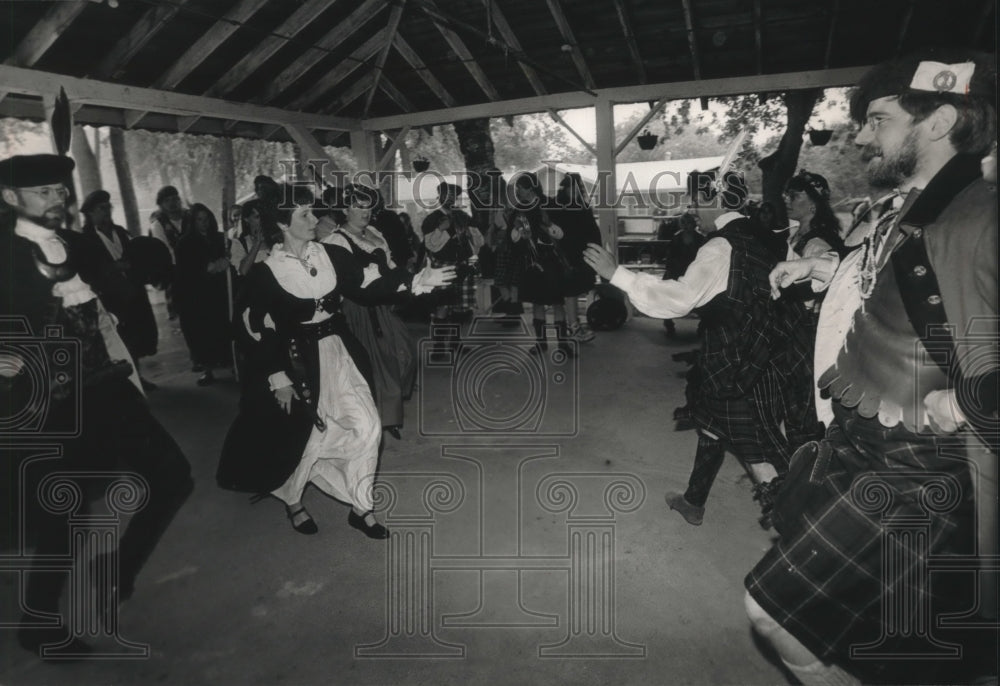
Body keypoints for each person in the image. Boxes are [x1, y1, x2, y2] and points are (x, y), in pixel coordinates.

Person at [749, 50, 997, 685]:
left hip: (916, 458)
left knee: (772, 613)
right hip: (857, 433)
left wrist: (971, 403)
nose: (861, 135)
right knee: (874, 623)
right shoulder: (919, 204)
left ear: (939, 121)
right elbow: (902, 288)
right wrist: (823, 268)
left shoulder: (985, 211)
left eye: (878, 119)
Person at [0, 154, 193, 658]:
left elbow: (119, 302)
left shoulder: (80, 244)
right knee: (63, 517)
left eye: (59, 190)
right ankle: (38, 626)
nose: (56, 199)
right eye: (42, 192)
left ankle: (117, 566)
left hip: (106, 385)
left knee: (174, 475)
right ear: (10, 198)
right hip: (47, 402)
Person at [217, 187, 453, 537]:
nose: (315, 220)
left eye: (312, 212)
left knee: (369, 427)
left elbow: (368, 281)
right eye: (304, 215)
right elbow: (251, 327)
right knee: (306, 441)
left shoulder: (328, 254)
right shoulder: (266, 273)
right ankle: (294, 501)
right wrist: (277, 378)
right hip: (298, 363)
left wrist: (415, 281)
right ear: (282, 224)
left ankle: (361, 507)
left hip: (340, 351)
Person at [583, 209, 815, 527]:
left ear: (714, 204)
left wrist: (617, 274)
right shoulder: (767, 236)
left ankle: (799, 534)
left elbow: (679, 299)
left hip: (735, 363)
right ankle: (693, 501)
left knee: (757, 452)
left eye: (697, 203)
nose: (692, 213)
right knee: (710, 422)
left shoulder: (719, 247)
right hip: (764, 354)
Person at [323, 185, 421, 439]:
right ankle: (379, 419)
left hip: (382, 304)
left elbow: (390, 267)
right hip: (357, 309)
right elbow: (347, 284)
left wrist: (406, 284)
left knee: (405, 355)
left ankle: (385, 412)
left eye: (368, 206)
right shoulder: (335, 241)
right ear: (345, 209)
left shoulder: (375, 233)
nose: (364, 212)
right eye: (358, 206)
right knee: (374, 366)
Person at [76, 190, 159, 391]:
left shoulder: (120, 232)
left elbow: (135, 256)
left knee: (138, 336)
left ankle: (137, 376)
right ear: (90, 213)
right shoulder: (85, 239)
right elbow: (87, 271)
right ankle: (128, 382)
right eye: (101, 209)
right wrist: (113, 268)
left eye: (108, 207)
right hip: (110, 297)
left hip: (133, 292)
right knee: (120, 340)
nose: (106, 212)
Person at [508, 172, 574, 355]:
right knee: (537, 302)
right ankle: (541, 342)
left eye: (519, 188)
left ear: (529, 188)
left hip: (552, 260)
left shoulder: (550, 205)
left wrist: (548, 226)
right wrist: (516, 231)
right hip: (530, 262)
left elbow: (562, 235)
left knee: (557, 302)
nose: (517, 192)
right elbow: (512, 240)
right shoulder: (518, 210)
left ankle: (563, 343)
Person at [174, 203, 232, 386]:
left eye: (206, 219)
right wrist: (213, 267)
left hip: (219, 292)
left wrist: (226, 262)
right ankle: (208, 370)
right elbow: (189, 270)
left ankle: (230, 362)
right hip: (198, 295)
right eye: (199, 220)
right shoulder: (185, 242)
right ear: (192, 222)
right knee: (203, 333)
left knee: (223, 327)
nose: (204, 223)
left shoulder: (220, 238)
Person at [421, 182, 484, 350]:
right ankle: (439, 346)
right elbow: (430, 245)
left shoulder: (462, 216)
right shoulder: (432, 219)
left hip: (462, 266)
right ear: (439, 197)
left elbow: (478, 240)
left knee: (459, 308)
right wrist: (441, 229)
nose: (450, 199)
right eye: (446, 195)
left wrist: (473, 235)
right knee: (442, 306)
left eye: (453, 196)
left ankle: (456, 343)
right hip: (442, 267)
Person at [550, 173, 600, 343]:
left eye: (577, 188)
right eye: (572, 187)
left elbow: (592, 232)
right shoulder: (572, 207)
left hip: (575, 255)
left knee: (572, 292)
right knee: (570, 293)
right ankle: (573, 328)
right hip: (565, 256)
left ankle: (571, 327)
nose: (576, 191)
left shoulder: (559, 207)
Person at [148, 185, 186, 319]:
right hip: (176, 271)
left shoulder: (189, 217)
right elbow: (164, 251)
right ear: (161, 205)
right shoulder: (158, 225)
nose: (172, 203)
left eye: (175, 199)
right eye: (167, 201)